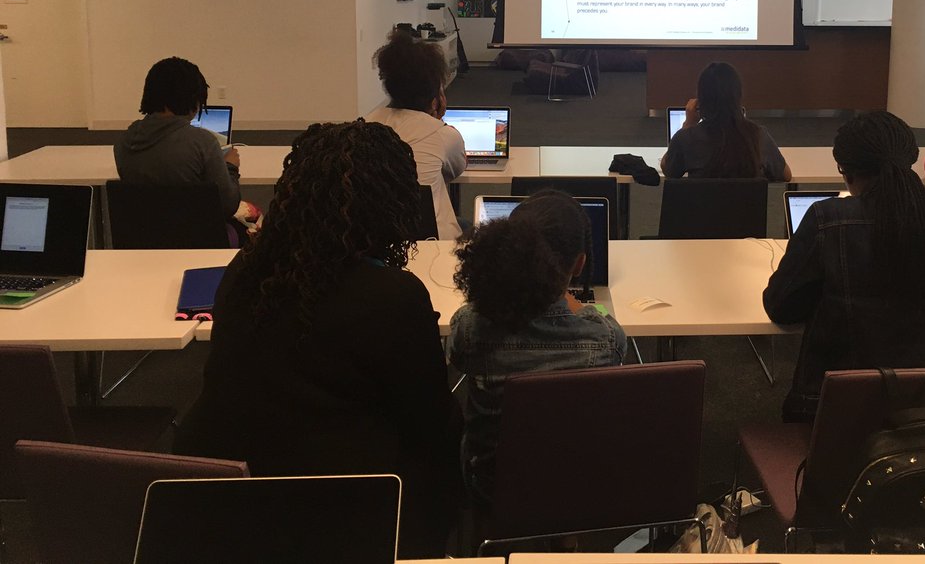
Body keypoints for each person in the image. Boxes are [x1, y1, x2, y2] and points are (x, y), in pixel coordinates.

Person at [174, 121, 462, 558]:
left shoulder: (244, 272)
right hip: (344, 508)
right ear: (393, 204)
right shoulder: (392, 296)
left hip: (231, 498)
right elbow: (429, 423)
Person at [763, 111, 925, 422]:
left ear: (846, 172)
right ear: (909, 162)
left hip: (839, 416)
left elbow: (781, 307)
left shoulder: (826, 221)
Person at [447, 190, 627, 501]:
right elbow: (599, 314)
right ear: (580, 264)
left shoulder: (470, 324)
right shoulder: (605, 335)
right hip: (576, 481)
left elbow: (457, 359)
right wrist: (582, 306)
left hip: (489, 481)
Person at [366, 28, 466, 239]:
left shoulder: (365, 125)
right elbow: (455, 170)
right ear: (436, 99)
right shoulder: (444, 135)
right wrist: (436, 122)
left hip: (378, 239)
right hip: (434, 244)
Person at [114, 56, 241, 218]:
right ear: (190, 98)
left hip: (140, 238)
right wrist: (231, 167)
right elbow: (228, 205)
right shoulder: (203, 142)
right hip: (198, 238)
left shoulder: (123, 142)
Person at [661, 61, 792, 181]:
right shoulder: (757, 135)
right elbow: (785, 175)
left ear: (701, 100)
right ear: (738, 97)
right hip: (745, 207)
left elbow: (668, 170)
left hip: (702, 207)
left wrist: (688, 125)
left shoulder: (687, 138)